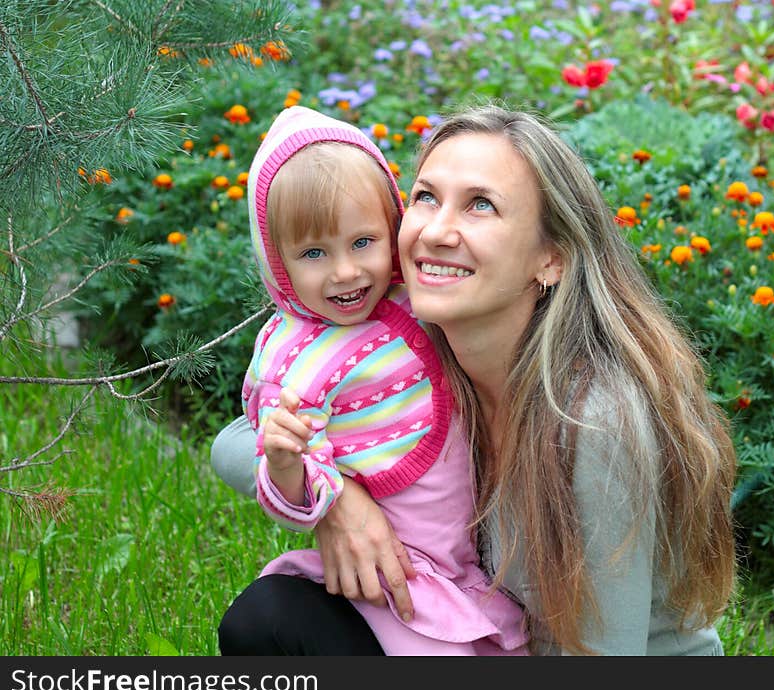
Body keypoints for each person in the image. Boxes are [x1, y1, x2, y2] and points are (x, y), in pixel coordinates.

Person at [214, 104, 738, 655]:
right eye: (425, 198)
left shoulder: (593, 420)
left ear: (551, 258)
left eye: (480, 205)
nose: (437, 230)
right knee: (268, 619)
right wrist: (337, 500)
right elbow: (235, 441)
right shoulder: (424, 350)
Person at [217, 105, 529, 656]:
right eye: (314, 253)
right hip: (391, 570)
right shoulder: (296, 363)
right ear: (278, 263)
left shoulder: (423, 296)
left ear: (392, 227)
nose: (345, 272)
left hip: (456, 557)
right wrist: (292, 467)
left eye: (363, 242)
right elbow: (276, 468)